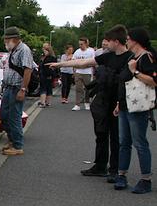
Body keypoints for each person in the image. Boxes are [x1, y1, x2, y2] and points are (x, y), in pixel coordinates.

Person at [50, 25, 132, 180]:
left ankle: (115, 169)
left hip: (119, 103)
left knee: (116, 137)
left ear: (116, 41)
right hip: (103, 101)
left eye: (108, 41)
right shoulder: (108, 56)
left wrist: (122, 103)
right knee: (101, 134)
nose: (106, 44)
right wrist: (61, 64)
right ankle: (100, 166)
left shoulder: (130, 58)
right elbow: (85, 63)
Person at [114, 27, 156, 194]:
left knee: (140, 142)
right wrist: (119, 103)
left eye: (129, 38)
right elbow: (124, 82)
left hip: (138, 107)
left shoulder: (146, 57)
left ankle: (146, 179)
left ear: (136, 40)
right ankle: (121, 174)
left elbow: (153, 81)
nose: (127, 41)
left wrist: (135, 71)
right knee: (124, 142)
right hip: (126, 105)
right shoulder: (132, 57)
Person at [0, 27, 32, 156]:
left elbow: (28, 70)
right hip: (9, 87)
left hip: (17, 88)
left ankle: (18, 145)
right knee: (4, 115)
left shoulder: (24, 50)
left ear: (14, 39)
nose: (5, 42)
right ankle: (12, 141)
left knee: (14, 117)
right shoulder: (13, 50)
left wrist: (23, 89)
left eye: (7, 39)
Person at [72, 37, 96, 111]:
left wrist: (86, 65)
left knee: (88, 88)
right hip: (78, 72)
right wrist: (74, 71)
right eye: (79, 44)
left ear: (85, 43)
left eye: (81, 44)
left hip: (87, 72)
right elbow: (73, 61)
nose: (80, 45)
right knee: (78, 88)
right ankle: (77, 104)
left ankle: (87, 102)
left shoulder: (91, 51)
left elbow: (93, 61)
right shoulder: (77, 51)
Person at [37, 42, 57, 107]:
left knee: (43, 88)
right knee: (49, 88)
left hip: (44, 75)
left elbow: (44, 67)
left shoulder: (45, 57)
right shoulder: (53, 57)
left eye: (43, 48)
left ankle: (43, 102)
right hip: (51, 75)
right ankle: (48, 102)